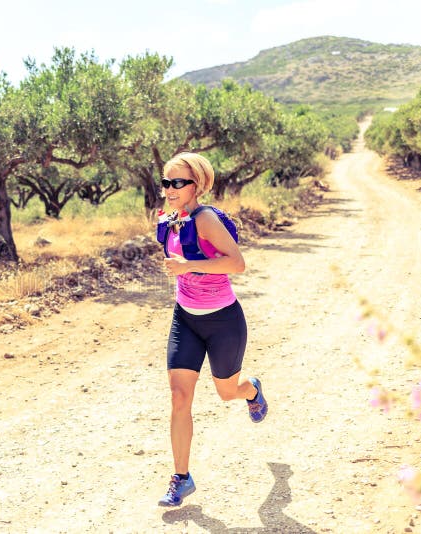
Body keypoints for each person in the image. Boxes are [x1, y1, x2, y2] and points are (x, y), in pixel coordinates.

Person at [155, 152, 268, 507]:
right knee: (179, 398)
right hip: (185, 318)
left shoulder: (204, 219)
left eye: (178, 183)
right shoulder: (171, 218)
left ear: (197, 184)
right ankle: (181, 478)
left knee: (227, 392)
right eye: (166, 182)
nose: (170, 189)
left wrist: (188, 266)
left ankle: (251, 391)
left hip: (222, 321)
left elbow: (237, 263)